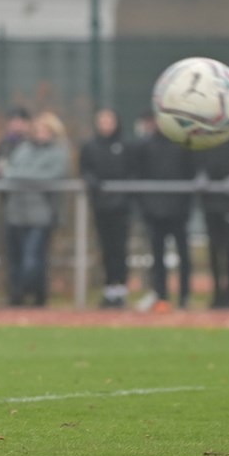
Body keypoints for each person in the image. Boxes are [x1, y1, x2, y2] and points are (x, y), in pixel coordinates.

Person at [3, 111, 71, 308]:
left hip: (40, 215)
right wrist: (21, 175)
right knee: (15, 260)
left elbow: (50, 177)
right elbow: (7, 172)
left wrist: (19, 175)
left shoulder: (58, 153)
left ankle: (37, 297)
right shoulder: (23, 149)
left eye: (45, 130)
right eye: (38, 129)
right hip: (15, 213)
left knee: (32, 260)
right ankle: (17, 297)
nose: (40, 133)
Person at [79, 109, 134, 309]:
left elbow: (131, 172)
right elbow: (85, 169)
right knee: (106, 249)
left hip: (121, 207)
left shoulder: (125, 145)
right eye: (102, 121)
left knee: (120, 249)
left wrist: (122, 195)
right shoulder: (91, 146)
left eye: (109, 120)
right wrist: (95, 185)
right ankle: (109, 290)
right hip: (101, 206)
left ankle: (121, 290)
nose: (105, 124)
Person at [138, 123, 197, 311]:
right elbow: (140, 175)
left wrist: (186, 206)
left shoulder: (184, 144)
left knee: (184, 256)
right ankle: (161, 295)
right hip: (155, 211)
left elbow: (191, 174)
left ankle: (184, 297)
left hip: (179, 211)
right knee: (157, 256)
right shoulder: (146, 145)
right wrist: (147, 206)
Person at [197, 134, 229, 310]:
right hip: (210, 203)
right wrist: (201, 177)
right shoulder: (203, 141)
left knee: (228, 250)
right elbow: (195, 163)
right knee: (213, 249)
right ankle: (217, 293)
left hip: (228, 203)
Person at [0, 107, 32, 306]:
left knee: (32, 256)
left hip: (32, 210)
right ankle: (15, 295)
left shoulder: (33, 144)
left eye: (20, 120)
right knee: (12, 255)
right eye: (13, 120)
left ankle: (34, 294)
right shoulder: (3, 145)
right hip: (9, 207)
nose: (16, 124)